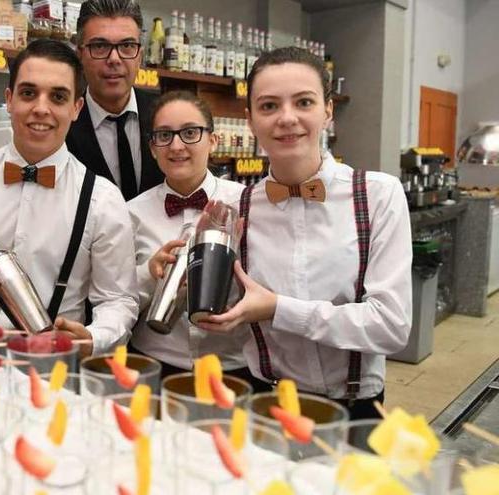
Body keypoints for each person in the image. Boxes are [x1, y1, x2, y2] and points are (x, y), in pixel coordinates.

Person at [198, 47, 412, 420]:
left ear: (327, 110)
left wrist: (280, 309)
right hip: (266, 404)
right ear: (249, 119)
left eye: (304, 102)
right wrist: (196, 275)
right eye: (268, 106)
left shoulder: (377, 194)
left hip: (356, 409)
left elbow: (391, 327)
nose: (286, 118)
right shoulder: (238, 207)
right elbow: (228, 318)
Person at [0, 39, 139, 357]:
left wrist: (93, 338)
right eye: (29, 93)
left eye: (58, 96)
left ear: (76, 108)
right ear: (9, 99)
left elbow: (118, 300)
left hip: (55, 374)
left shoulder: (102, 199)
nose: (41, 108)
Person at [128, 91, 251, 380]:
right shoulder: (131, 212)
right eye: (164, 135)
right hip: (153, 363)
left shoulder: (247, 204)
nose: (177, 145)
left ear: (213, 140)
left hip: (232, 367)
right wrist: (149, 272)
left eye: (190, 132)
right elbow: (118, 298)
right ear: (152, 148)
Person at [66, 0, 163, 201]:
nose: (114, 59)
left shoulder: (165, 115)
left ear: (140, 57)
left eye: (127, 46)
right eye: (100, 46)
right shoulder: (62, 125)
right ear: (80, 55)